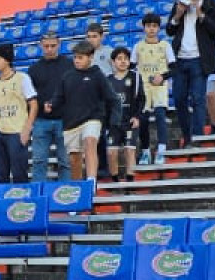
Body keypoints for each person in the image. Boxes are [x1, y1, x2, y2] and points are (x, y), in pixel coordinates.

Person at [166, 0, 215, 146]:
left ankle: (198, 137)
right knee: (178, 98)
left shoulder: (213, 5)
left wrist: (201, 15)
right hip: (180, 59)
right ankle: (187, 137)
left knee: (198, 98)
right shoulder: (180, 5)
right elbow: (170, 30)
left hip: (200, 60)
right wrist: (177, 15)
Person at [58, 40, 121, 182]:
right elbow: (59, 97)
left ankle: (91, 180)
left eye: (80, 57)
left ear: (91, 57)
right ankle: (78, 187)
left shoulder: (98, 75)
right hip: (71, 122)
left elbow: (113, 98)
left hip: (93, 118)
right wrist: (51, 104)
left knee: (90, 142)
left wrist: (114, 121)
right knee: (74, 159)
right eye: (75, 57)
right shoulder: (67, 76)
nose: (76, 60)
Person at [0, 43, 35, 185]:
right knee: (0, 174)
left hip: (17, 132)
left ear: (7, 59)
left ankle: (22, 204)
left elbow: (33, 104)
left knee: (19, 173)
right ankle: (2, 205)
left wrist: (27, 128)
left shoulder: (22, 78)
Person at [26, 30, 69, 182]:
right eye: (46, 46)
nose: (49, 49)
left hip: (65, 120)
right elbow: (29, 97)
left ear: (59, 44)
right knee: (38, 161)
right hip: (40, 121)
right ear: (40, 46)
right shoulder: (33, 69)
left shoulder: (69, 65)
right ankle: (38, 194)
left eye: (53, 45)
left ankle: (67, 194)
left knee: (65, 161)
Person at [131, 13, 172, 166]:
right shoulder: (138, 46)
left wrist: (163, 76)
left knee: (161, 116)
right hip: (143, 89)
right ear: (144, 28)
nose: (151, 29)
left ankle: (161, 150)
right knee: (143, 120)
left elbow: (174, 67)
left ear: (158, 28)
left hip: (159, 87)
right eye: (148, 26)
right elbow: (132, 67)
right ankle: (146, 151)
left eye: (154, 26)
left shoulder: (165, 46)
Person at [105, 47, 145, 181]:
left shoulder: (135, 77)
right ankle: (115, 181)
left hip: (130, 121)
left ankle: (130, 182)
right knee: (111, 152)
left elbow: (141, 99)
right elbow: (104, 103)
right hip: (113, 123)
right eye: (119, 59)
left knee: (129, 150)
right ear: (113, 62)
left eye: (126, 59)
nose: (123, 62)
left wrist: (137, 116)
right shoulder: (108, 80)